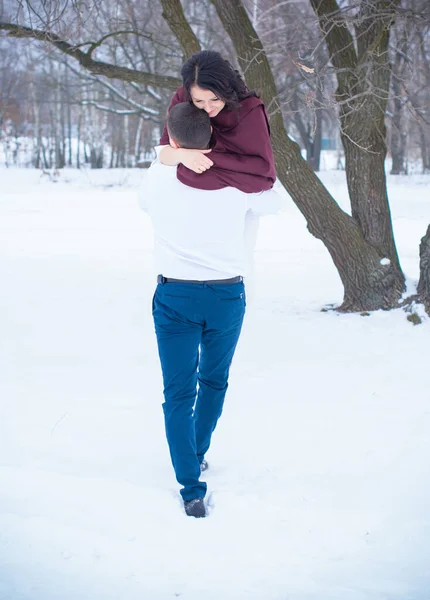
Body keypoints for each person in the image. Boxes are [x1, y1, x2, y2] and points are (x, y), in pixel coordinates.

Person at [140, 102, 281, 519]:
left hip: (175, 297)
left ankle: (190, 486)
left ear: (173, 136)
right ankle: (197, 452)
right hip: (225, 297)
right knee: (214, 382)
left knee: (178, 393)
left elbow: (151, 183)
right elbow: (271, 199)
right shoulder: (237, 184)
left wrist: (174, 156)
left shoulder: (158, 178)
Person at [158, 50, 276, 194]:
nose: (208, 108)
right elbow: (163, 151)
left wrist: (206, 159)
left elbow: (263, 172)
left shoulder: (250, 111)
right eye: (199, 101)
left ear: (226, 90)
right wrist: (183, 155)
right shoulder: (183, 98)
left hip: (238, 198)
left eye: (215, 99)